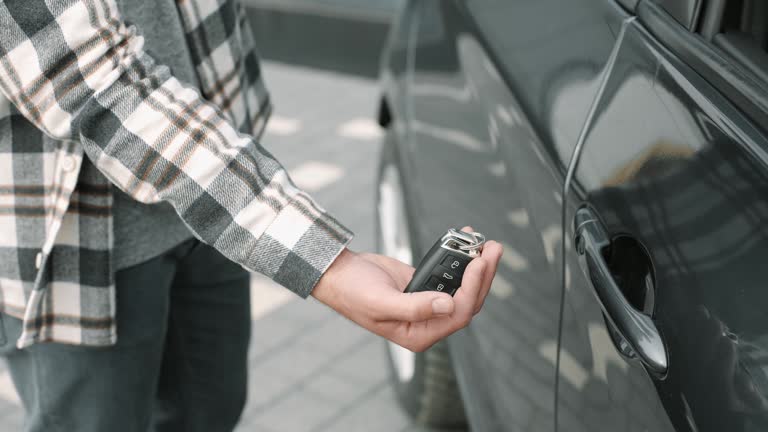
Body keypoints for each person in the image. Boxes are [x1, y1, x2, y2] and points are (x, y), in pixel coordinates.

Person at [0, 0, 503, 431]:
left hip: (218, 199)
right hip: (77, 235)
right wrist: (325, 261)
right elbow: (98, 83)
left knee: (211, 410)